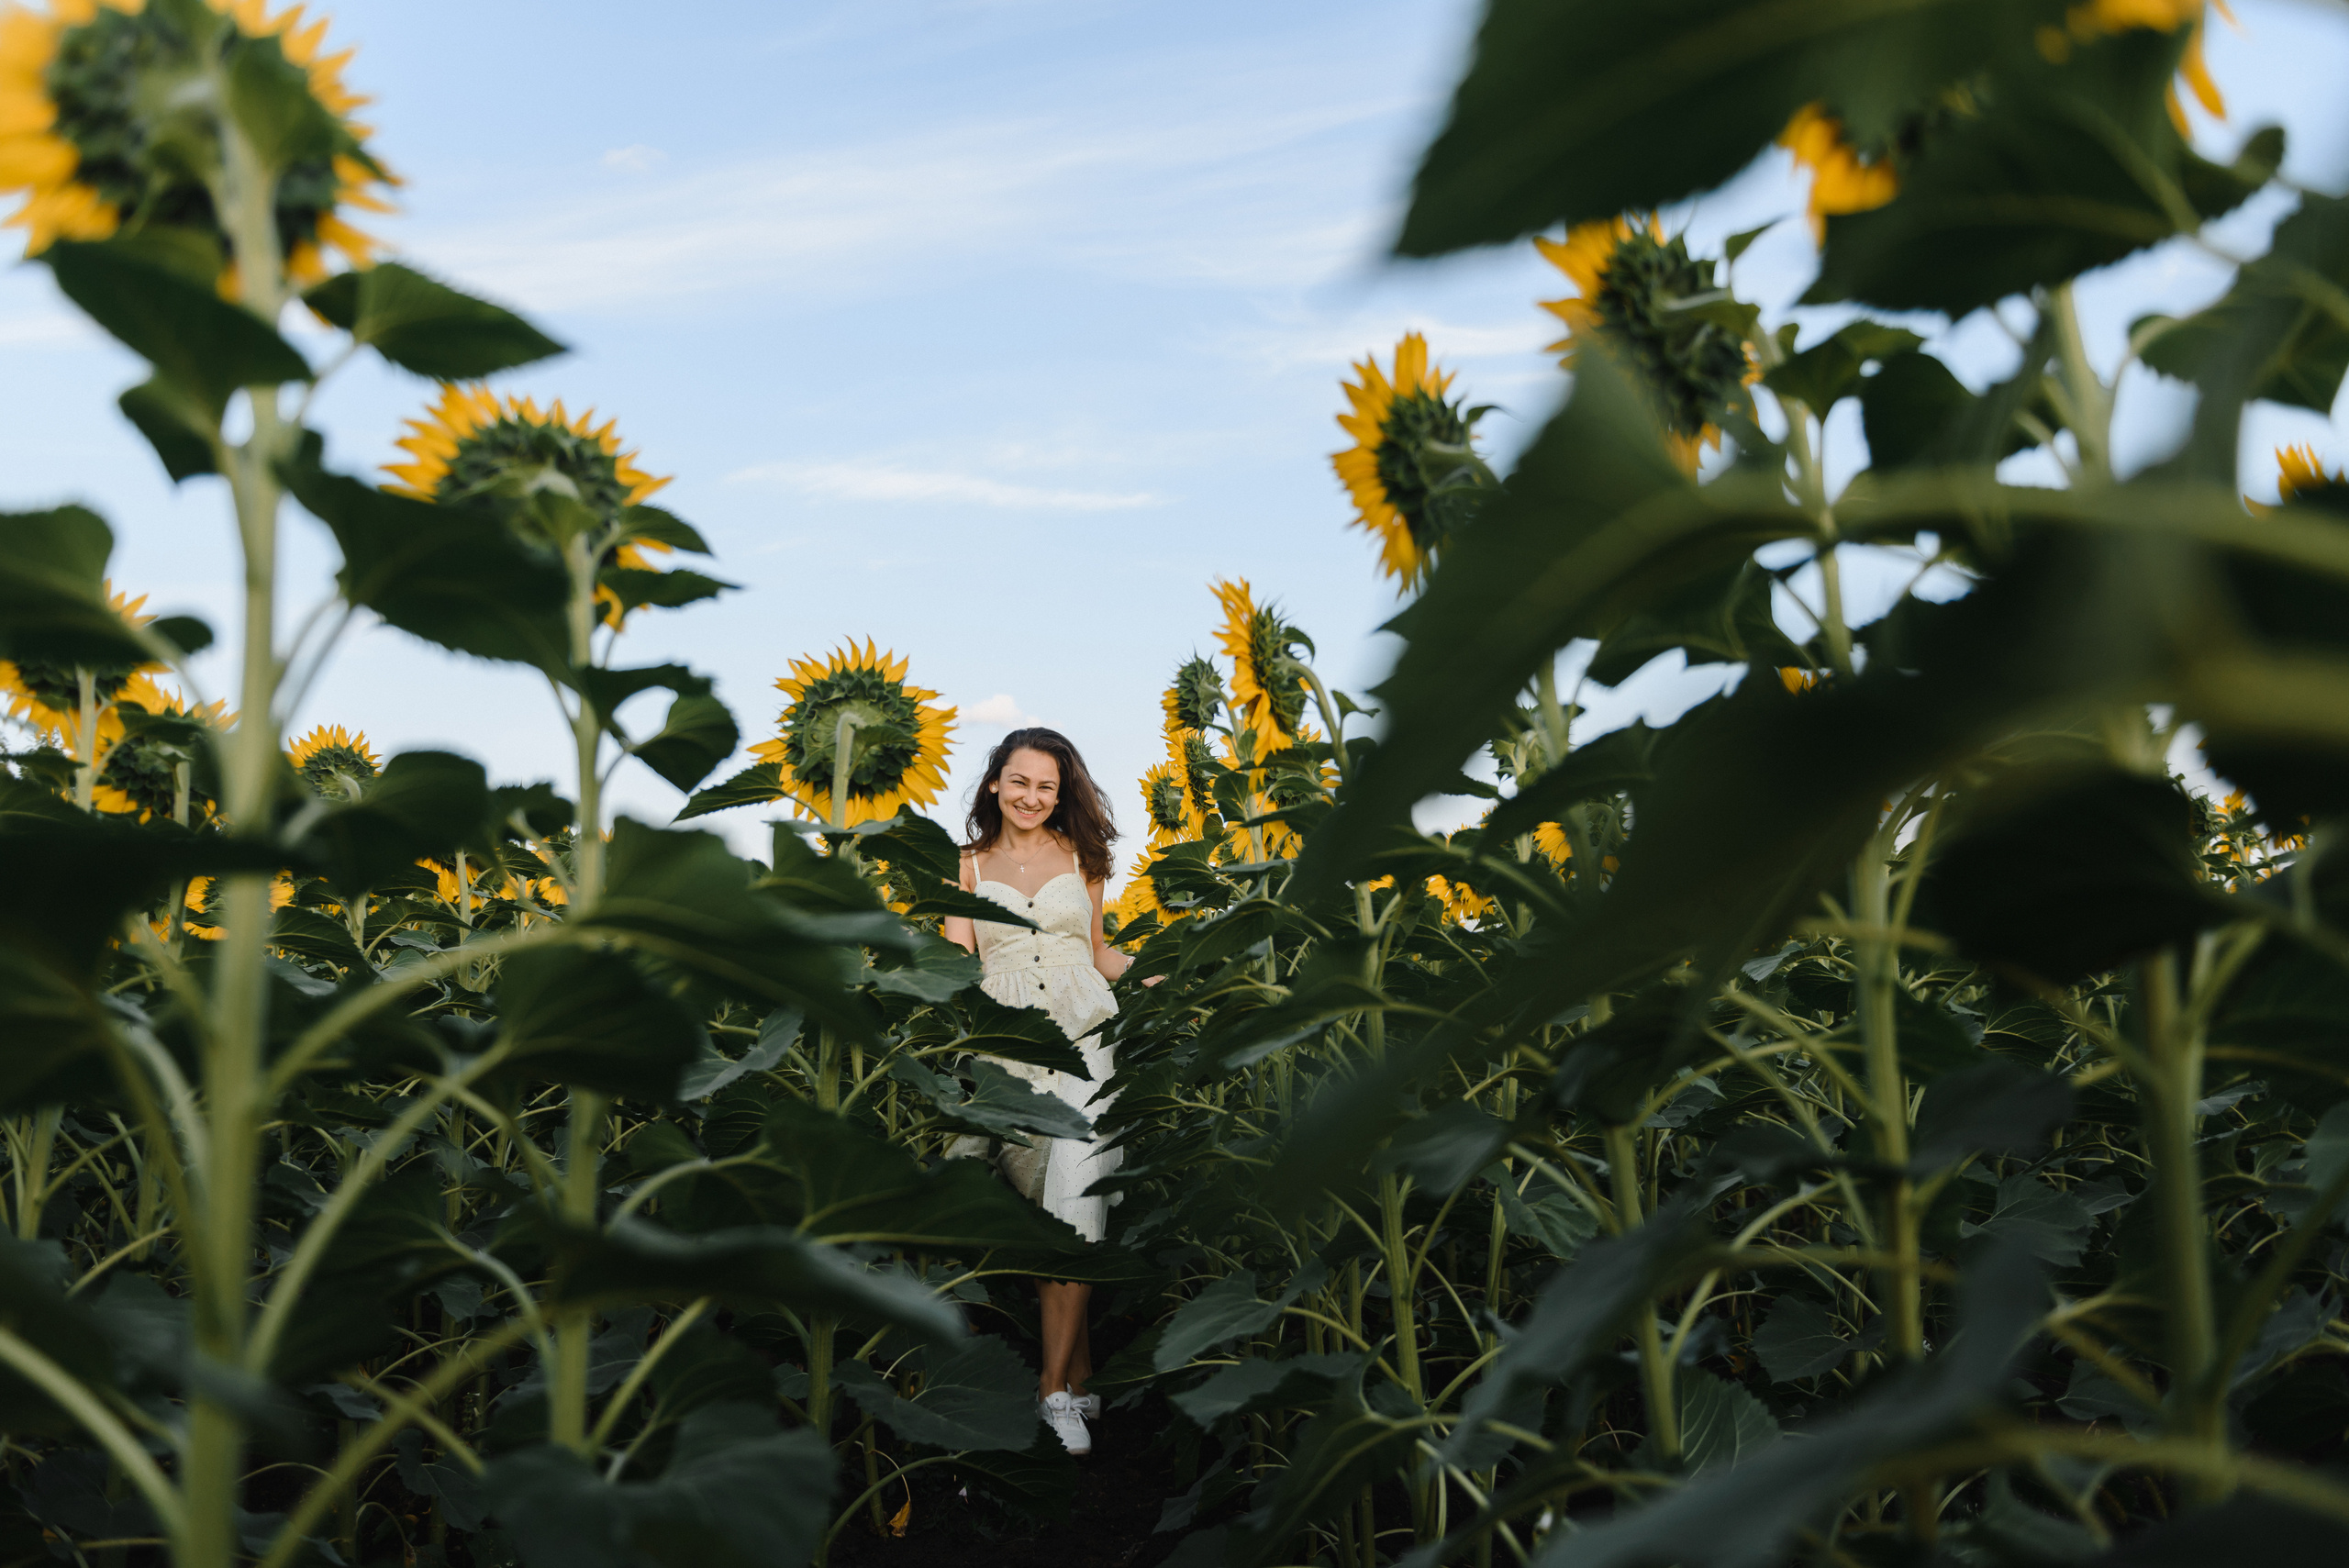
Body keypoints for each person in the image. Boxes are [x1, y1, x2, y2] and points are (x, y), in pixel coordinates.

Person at [941, 727, 1141, 1458]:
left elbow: (1097, 950)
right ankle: (1079, 1367)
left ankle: (1052, 1388)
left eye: (1047, 786)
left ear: (1062, 793)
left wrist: (1157, 971)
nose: (1032, 797)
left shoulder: (1081, 856)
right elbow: (958, 956)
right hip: (1007, 1042)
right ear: (994, 783)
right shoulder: (965, 862)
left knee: (1077, 1189)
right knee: (1041, 1204)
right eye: (1019, 781)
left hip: (1087, 1034)